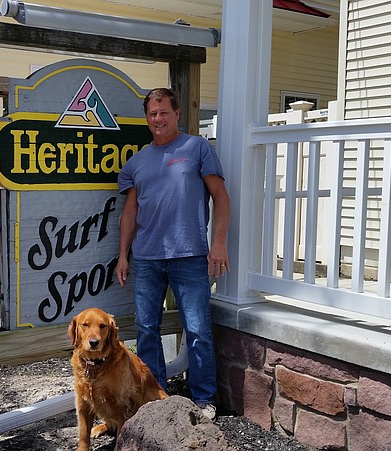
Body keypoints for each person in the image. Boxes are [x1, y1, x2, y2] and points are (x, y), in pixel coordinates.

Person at [115, 88, 230, 420]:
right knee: (146, 330)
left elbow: (221, 197)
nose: (158, 119)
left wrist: (218, 242)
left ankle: (205, 399)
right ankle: (156, 397)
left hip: (190, 255)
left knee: (197, 329)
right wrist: (123, 254)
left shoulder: (197, 148)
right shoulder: (136, 162)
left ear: (177, 113)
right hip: (147, 258)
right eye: (152, 114)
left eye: (163, 112)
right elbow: (130, 212)